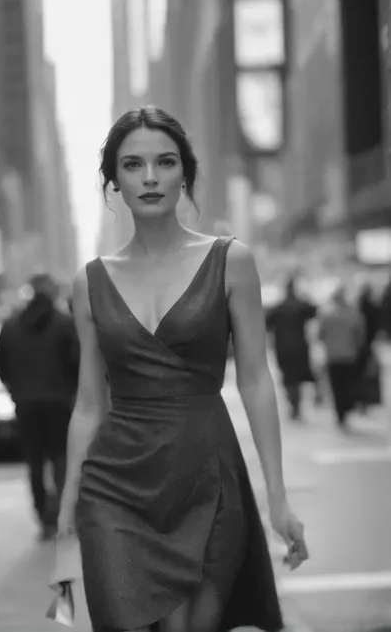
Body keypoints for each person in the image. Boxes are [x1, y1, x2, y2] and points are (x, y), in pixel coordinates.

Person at [57, 106, 308, 632]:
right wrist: (66, 511)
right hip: (114, 488)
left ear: (185, 174)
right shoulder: (88, 283)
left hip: (207, 475)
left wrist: (278, 497)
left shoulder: (231, 261)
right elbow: (87, 403)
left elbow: (257, 380)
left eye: (165, 162)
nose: (150, 177)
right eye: (132, 165)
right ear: (114, 183)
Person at [0, 273, 80, 540]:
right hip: (58, 402)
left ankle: (43, 518)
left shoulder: (10, 325)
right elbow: (77, 362)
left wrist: (14, 388)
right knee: (60, 459)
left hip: (26, 404)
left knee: (34, 462)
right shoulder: (65, 324)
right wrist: (70, 390)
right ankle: (65, 515)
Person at [266, 277, 317, 420]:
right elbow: (314, 310)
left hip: (282, 347)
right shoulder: (300, 305)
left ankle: (293, 404)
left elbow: (267, 325)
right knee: (298, 377)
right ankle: (296, 405)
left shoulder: (278, 308)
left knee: (287, 377)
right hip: (300, 347)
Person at [318, 285, 365, 427]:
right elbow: (360, 333)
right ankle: (346, 408)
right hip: (349, 354)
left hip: (333, 355)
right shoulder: (352, 312)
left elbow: (320, 334)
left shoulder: (326, 314)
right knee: (348, 384)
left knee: (336, 385)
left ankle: (340, 412)